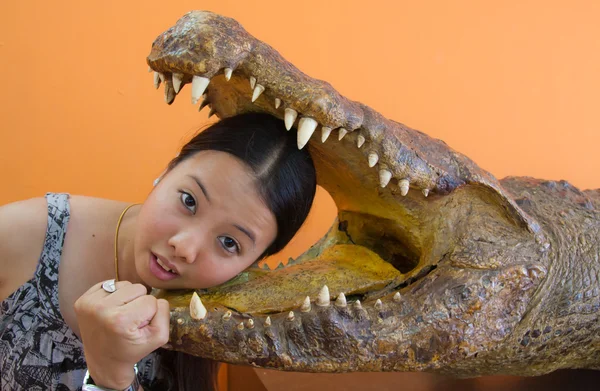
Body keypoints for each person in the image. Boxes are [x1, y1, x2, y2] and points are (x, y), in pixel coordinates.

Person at [0, 112, 318, 390]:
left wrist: (111, 377)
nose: (184, 247)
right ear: (168, 171)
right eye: (189, 201)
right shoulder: (20, 234)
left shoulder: (222, 313)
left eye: (229, 243)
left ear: (251, 264)